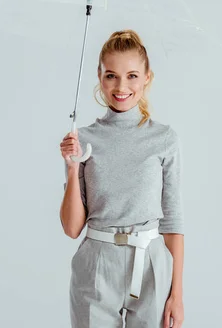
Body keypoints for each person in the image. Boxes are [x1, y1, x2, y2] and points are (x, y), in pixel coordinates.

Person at [59, 30, 185, 328]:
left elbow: (173, 220)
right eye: (111, 76)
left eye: (131, 76)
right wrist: (71, 168)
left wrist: (176, 294)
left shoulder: (164, 138)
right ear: (99, 77)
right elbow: (72, 227)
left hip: (151, 261)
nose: (121, 86)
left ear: (146, 78)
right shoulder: (84, 139)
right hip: (96, 262)